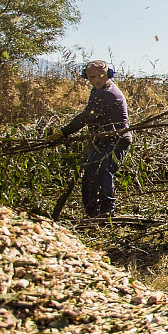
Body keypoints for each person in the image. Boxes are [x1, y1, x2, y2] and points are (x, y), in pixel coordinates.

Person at [46, 60, 133, 217]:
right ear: (86, 77)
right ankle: (93, 213)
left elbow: (86, 117)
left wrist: (63, 133)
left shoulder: (108, 93)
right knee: (90, 176)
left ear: (109, 75)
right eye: (92, 77)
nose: (96, 80)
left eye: (101, 76)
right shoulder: (97, 91)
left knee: (103, 172)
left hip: (115, 140)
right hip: (101, 140)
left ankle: (106, 212)